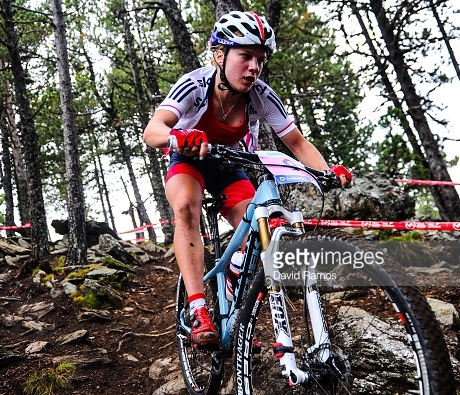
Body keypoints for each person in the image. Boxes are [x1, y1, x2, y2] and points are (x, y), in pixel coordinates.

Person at [143, 11, 352, 348]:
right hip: (189, 157)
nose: (254, 67)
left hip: (228, 162)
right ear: (219, 55)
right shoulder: (194, 85)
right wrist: (177, 137)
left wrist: (328, 172)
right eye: (245, 56)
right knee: (184, 207)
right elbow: (153, 130)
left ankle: (235, 293)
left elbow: (297, 142)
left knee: (261, 226)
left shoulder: (262, 96)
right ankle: (198, 307)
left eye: (260, 59)